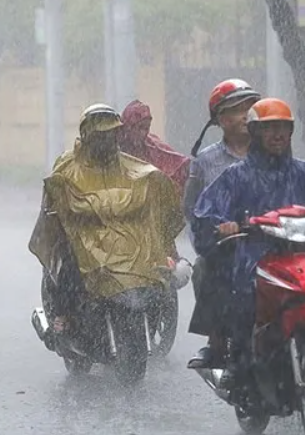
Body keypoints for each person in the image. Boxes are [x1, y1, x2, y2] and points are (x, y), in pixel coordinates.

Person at [192, 98, 305, 385]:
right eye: (270, 128)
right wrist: (222, 226)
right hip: (255, 256)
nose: (278, 134)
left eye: (284, 128)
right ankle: (241, 365)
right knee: (243, 296)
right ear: (255, 133)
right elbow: (205, 211)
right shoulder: (236, 175)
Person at [28, 103, 185, 333]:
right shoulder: (68, 164)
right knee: (70, 262)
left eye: (109, 135)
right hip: (82, 235)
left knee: (153, 263)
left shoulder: (129, 166)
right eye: (99, 136)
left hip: (121, 235)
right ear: (87, 136)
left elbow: (150, 178)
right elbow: (55, 192)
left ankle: (149, 311)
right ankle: (63, 314)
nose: (104, 142)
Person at [184, 79, 262, 369]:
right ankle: (216, 341)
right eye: (237, 109)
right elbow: (192, 208)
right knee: (205, 269)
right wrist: (215, 230)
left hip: (271, 238)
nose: (245, 115)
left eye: (250, 108)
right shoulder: (205, 161)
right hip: (228, 244)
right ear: (220, 119)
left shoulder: (272, 151)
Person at [119, 100, 190, 193]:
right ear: (128, 126)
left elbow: (177, 162)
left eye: (146, 128)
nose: (143, 133)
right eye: (139, 127)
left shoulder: (152, 146)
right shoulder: (115, 147)